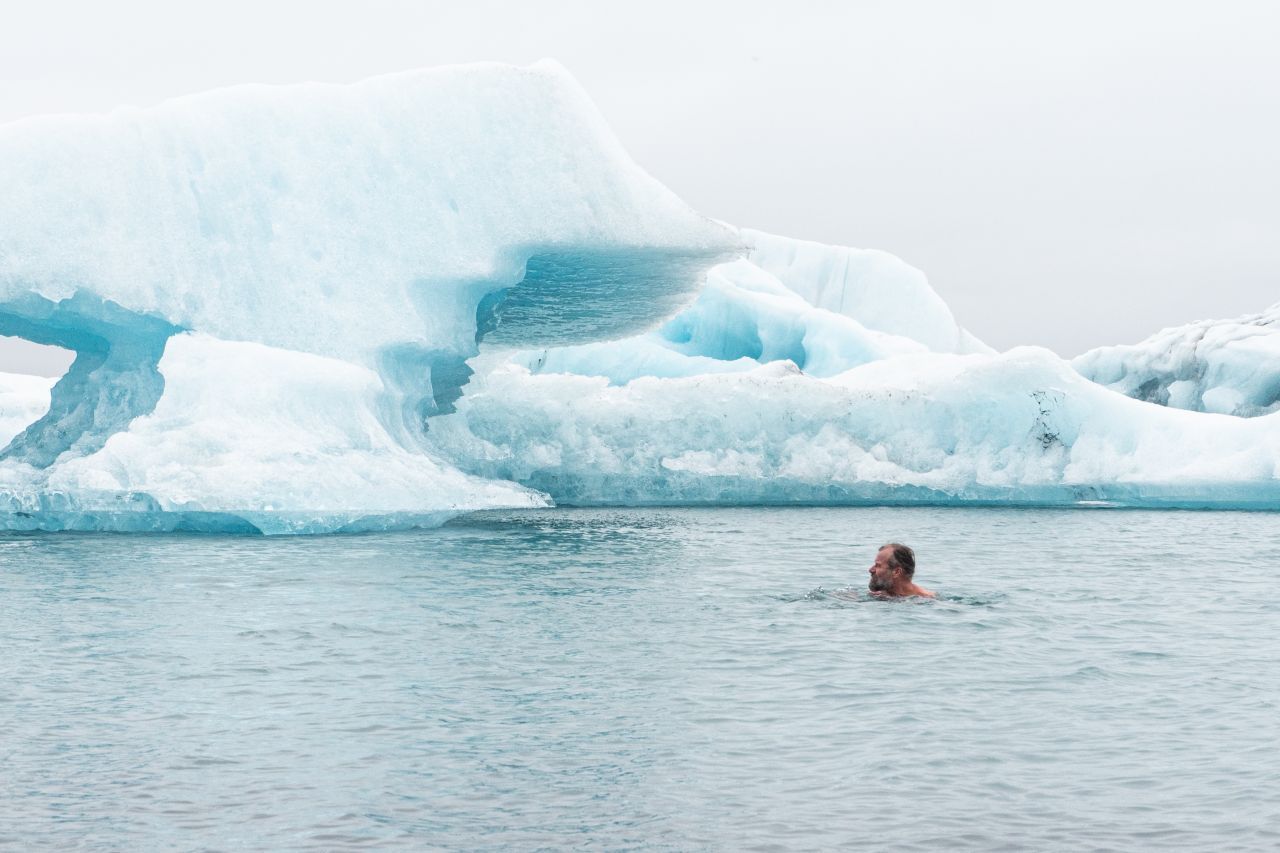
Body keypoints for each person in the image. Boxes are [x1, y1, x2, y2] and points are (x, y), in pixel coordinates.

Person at [868, 542, 935, 598]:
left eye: (878, 566)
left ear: (896, 572)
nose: (870, 570)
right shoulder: (878, 595)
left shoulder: (926, 598)